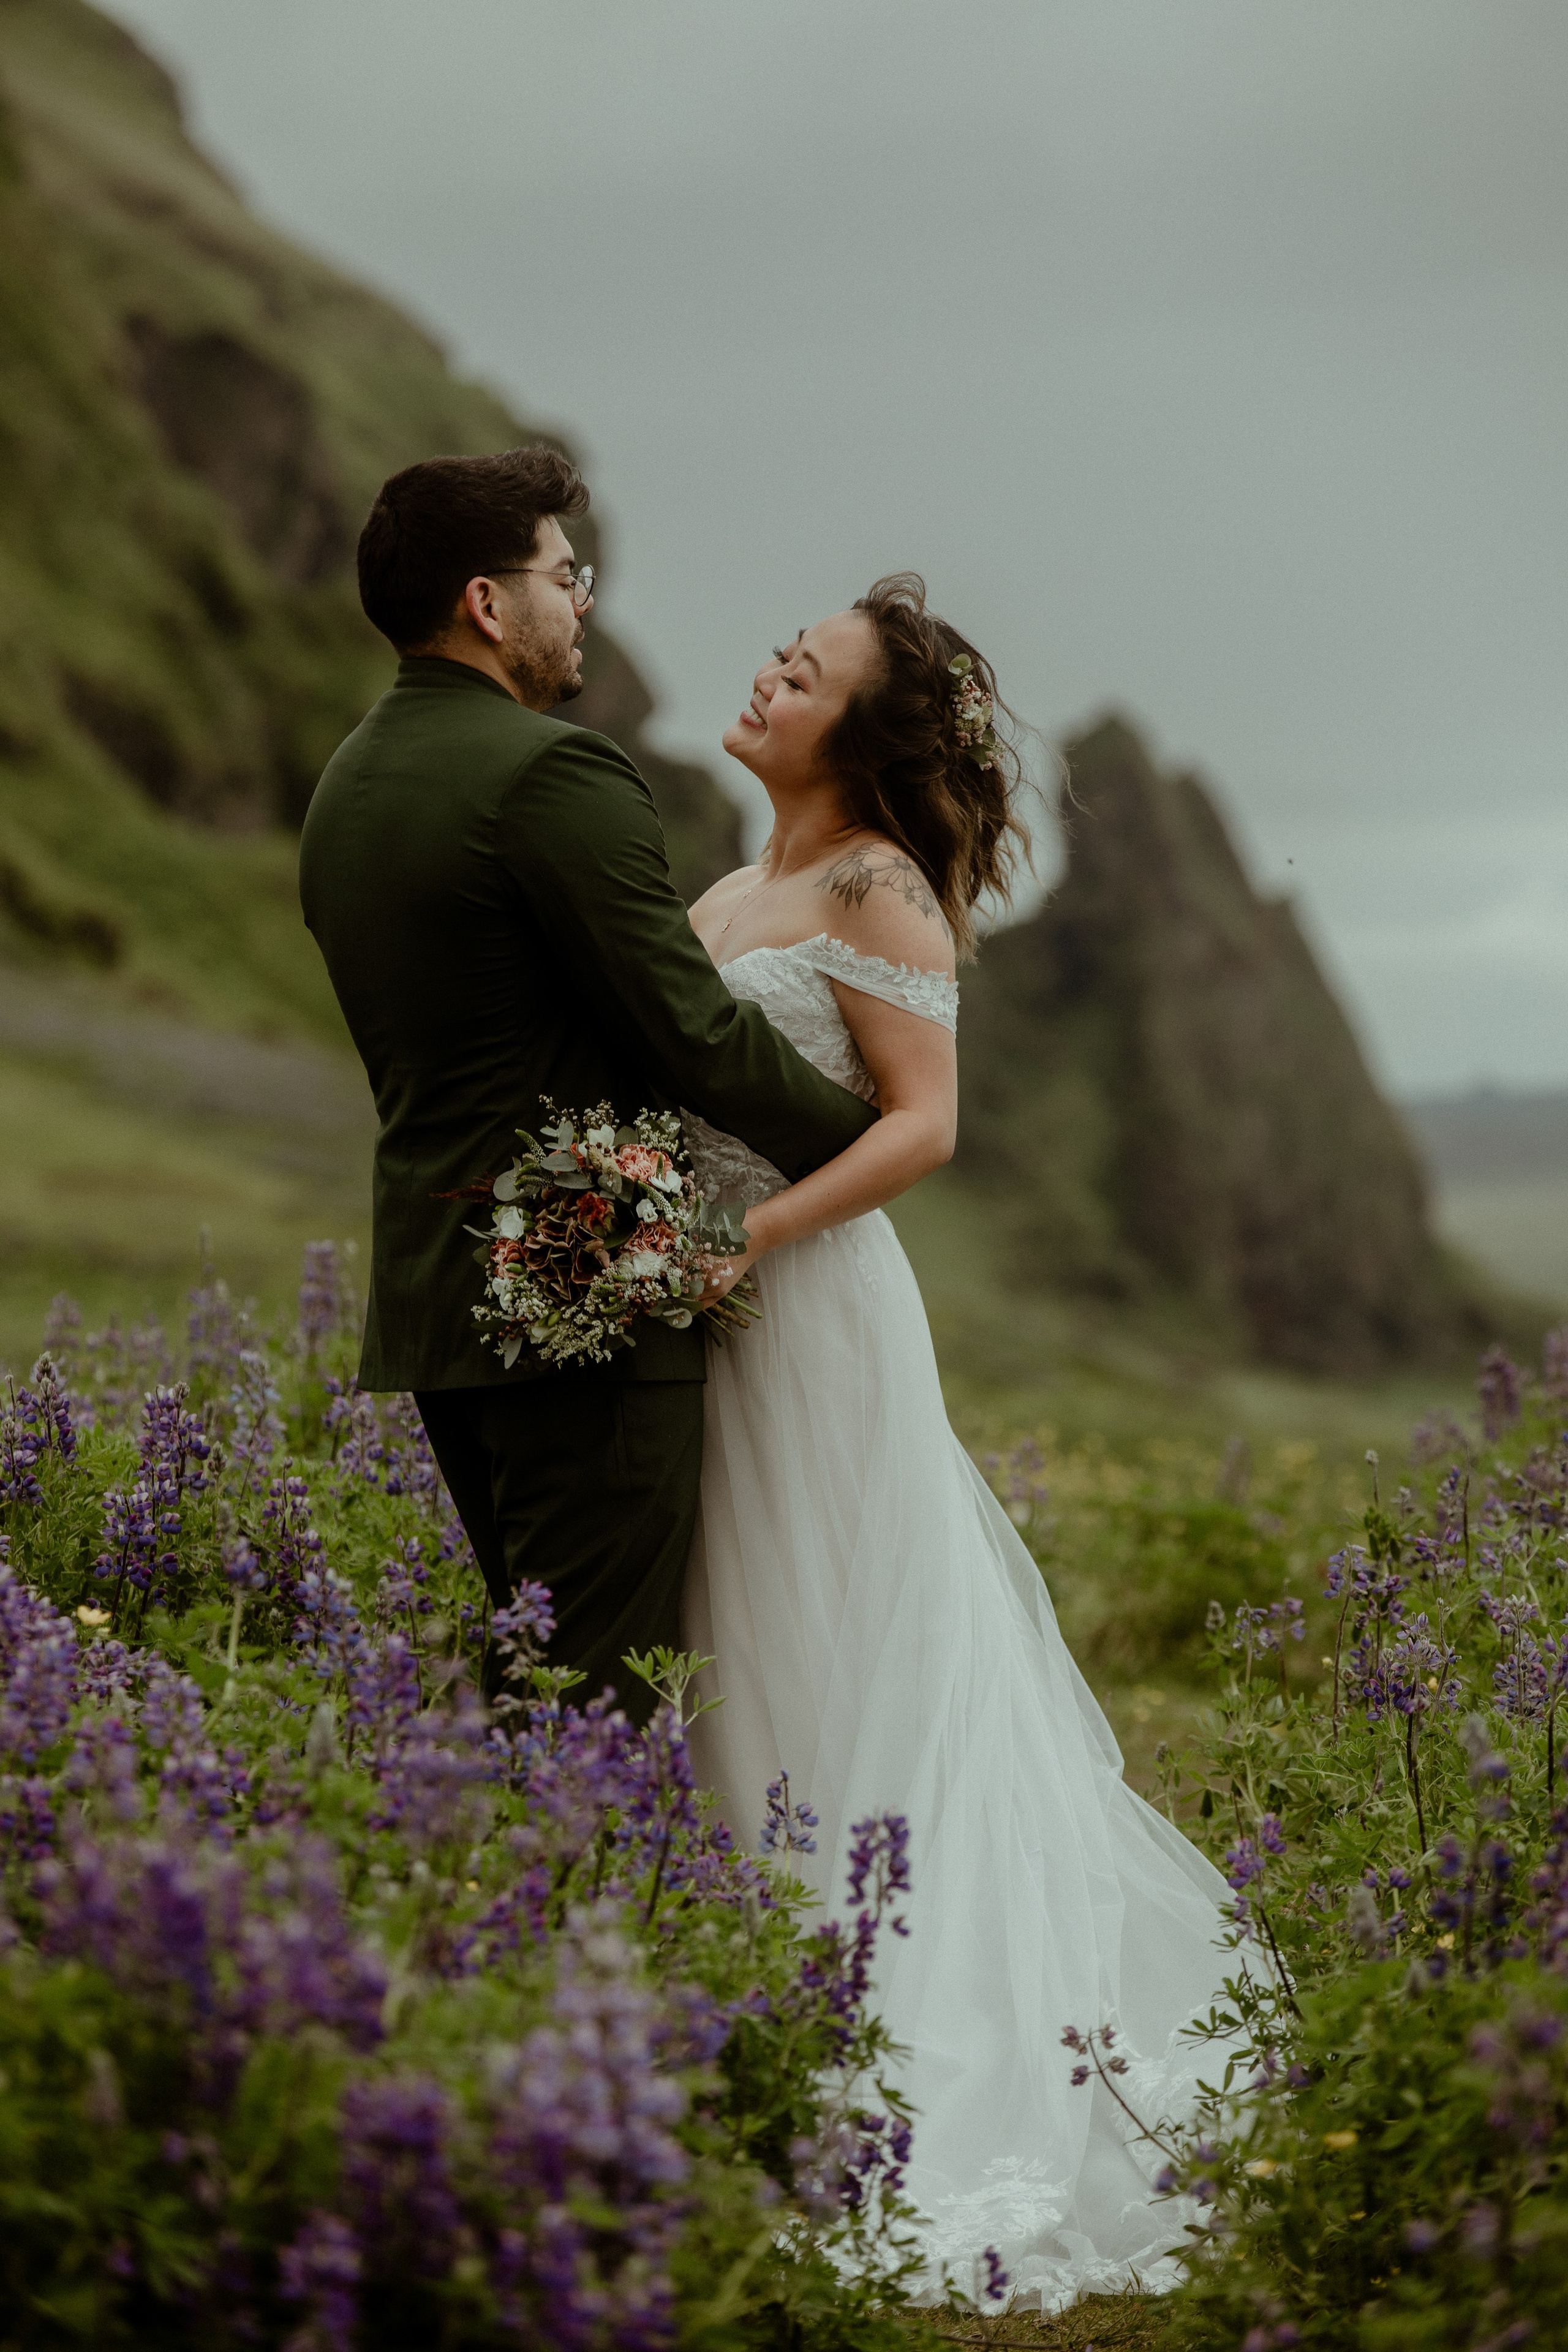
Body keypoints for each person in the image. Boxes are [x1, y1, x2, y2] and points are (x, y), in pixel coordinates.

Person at [680, 576, 1238, 2309]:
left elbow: (921, 1128)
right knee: (731, 1622)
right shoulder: (723, 886)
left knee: (849, 1627)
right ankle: (746, 1999)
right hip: (699, 1305)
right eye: (778, 650)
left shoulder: (873, 886)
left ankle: (890, 2013)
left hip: (811, 1306)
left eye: (807, 669)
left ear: (861, 729)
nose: (770, 672)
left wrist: (741, 1241)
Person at [297, 447, 875, 1722]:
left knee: (531, 1683)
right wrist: (867, 1139)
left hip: (438, 1306)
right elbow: (691, 1036)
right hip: (582, 1296)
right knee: (590, 1714)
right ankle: (562, 1921)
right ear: (486, 605)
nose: (586, 601)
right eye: (566, 575)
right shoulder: (550, 774)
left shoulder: (344, 788)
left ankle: (512, 1909)